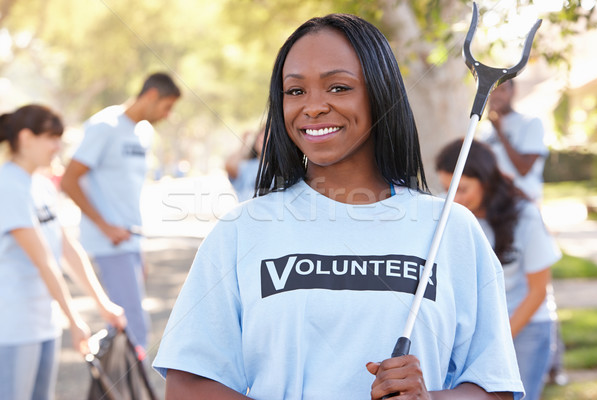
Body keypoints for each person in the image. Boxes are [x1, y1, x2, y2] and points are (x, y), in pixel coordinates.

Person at [153, 14, 523, 399]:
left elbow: (493, 386)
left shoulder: (452, 228)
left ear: (380, 93)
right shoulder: (241, 230)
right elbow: (189, 384)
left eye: (338, 87)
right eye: (295, 91)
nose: (313, 107)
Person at [0, 104, 126, 400]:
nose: (58, 147)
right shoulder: (7, 186)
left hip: (43, 322)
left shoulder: (42, 186)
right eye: (51, 138)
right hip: (12, 324)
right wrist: (74, 318)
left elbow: (67, 249)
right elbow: (43, 260)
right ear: (26, 137)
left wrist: (103, 303)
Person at [61, 72, 180, 350]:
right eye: (167, 106)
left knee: (124, 329)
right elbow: (69, 179)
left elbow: (127, 191)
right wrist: (105, 227)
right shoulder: (105, 126)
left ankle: (113, 389)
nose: (169, 114)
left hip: (130, 241)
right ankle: (129, 391)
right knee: (132, 328)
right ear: (151, 96)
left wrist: (140, 250)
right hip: (109, 242)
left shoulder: (145, 133)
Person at [436, 138, 562, 400]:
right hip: (473, 331)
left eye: (463, 189)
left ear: (485, 180)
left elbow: (538, 290)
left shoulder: (524, 215)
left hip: (525, 327)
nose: (454, 199)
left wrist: (497, 341)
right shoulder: (450, 216)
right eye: (448, 190)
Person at [477, 79, 549, 203]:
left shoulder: (530, 123)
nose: (497, 95)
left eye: (503, 90)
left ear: (513, 91)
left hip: (523, 200)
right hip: (494, 201)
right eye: (493, 91)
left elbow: (523, 169)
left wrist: (500, 133)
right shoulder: (485, 129)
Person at [225, 127, 265, 202]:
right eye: (262, 133)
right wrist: (244, 144)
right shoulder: (247, 166)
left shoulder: (281, 169)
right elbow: (229, 165)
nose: (264, 137)